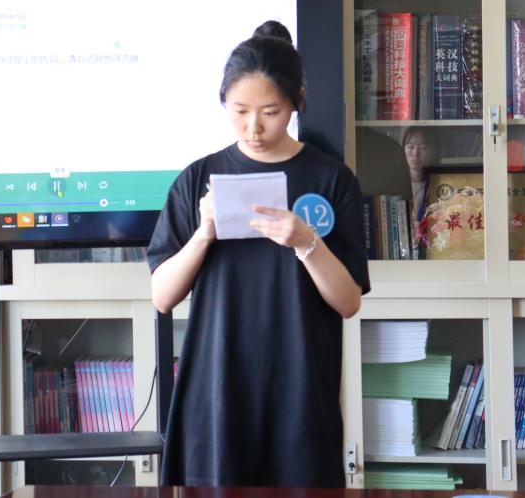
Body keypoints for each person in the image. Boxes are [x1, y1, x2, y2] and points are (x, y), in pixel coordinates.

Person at [147, 24, 371, 488]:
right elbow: (162, 297)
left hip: (300, 396)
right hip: (215, 393)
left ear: (296, 102)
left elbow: (349, 302)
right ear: (223, 103)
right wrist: (204, 234)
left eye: (270, 112)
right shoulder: (198, 179)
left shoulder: (331, 179)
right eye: (240, 111)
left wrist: (306, 242)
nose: (254, 127)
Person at [402, 125, 439, 223]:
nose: (415, 154)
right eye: (410, 147)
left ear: (432, 152)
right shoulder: (395, 184)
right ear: (403, 149)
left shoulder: (439, 185)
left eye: (423, 148)